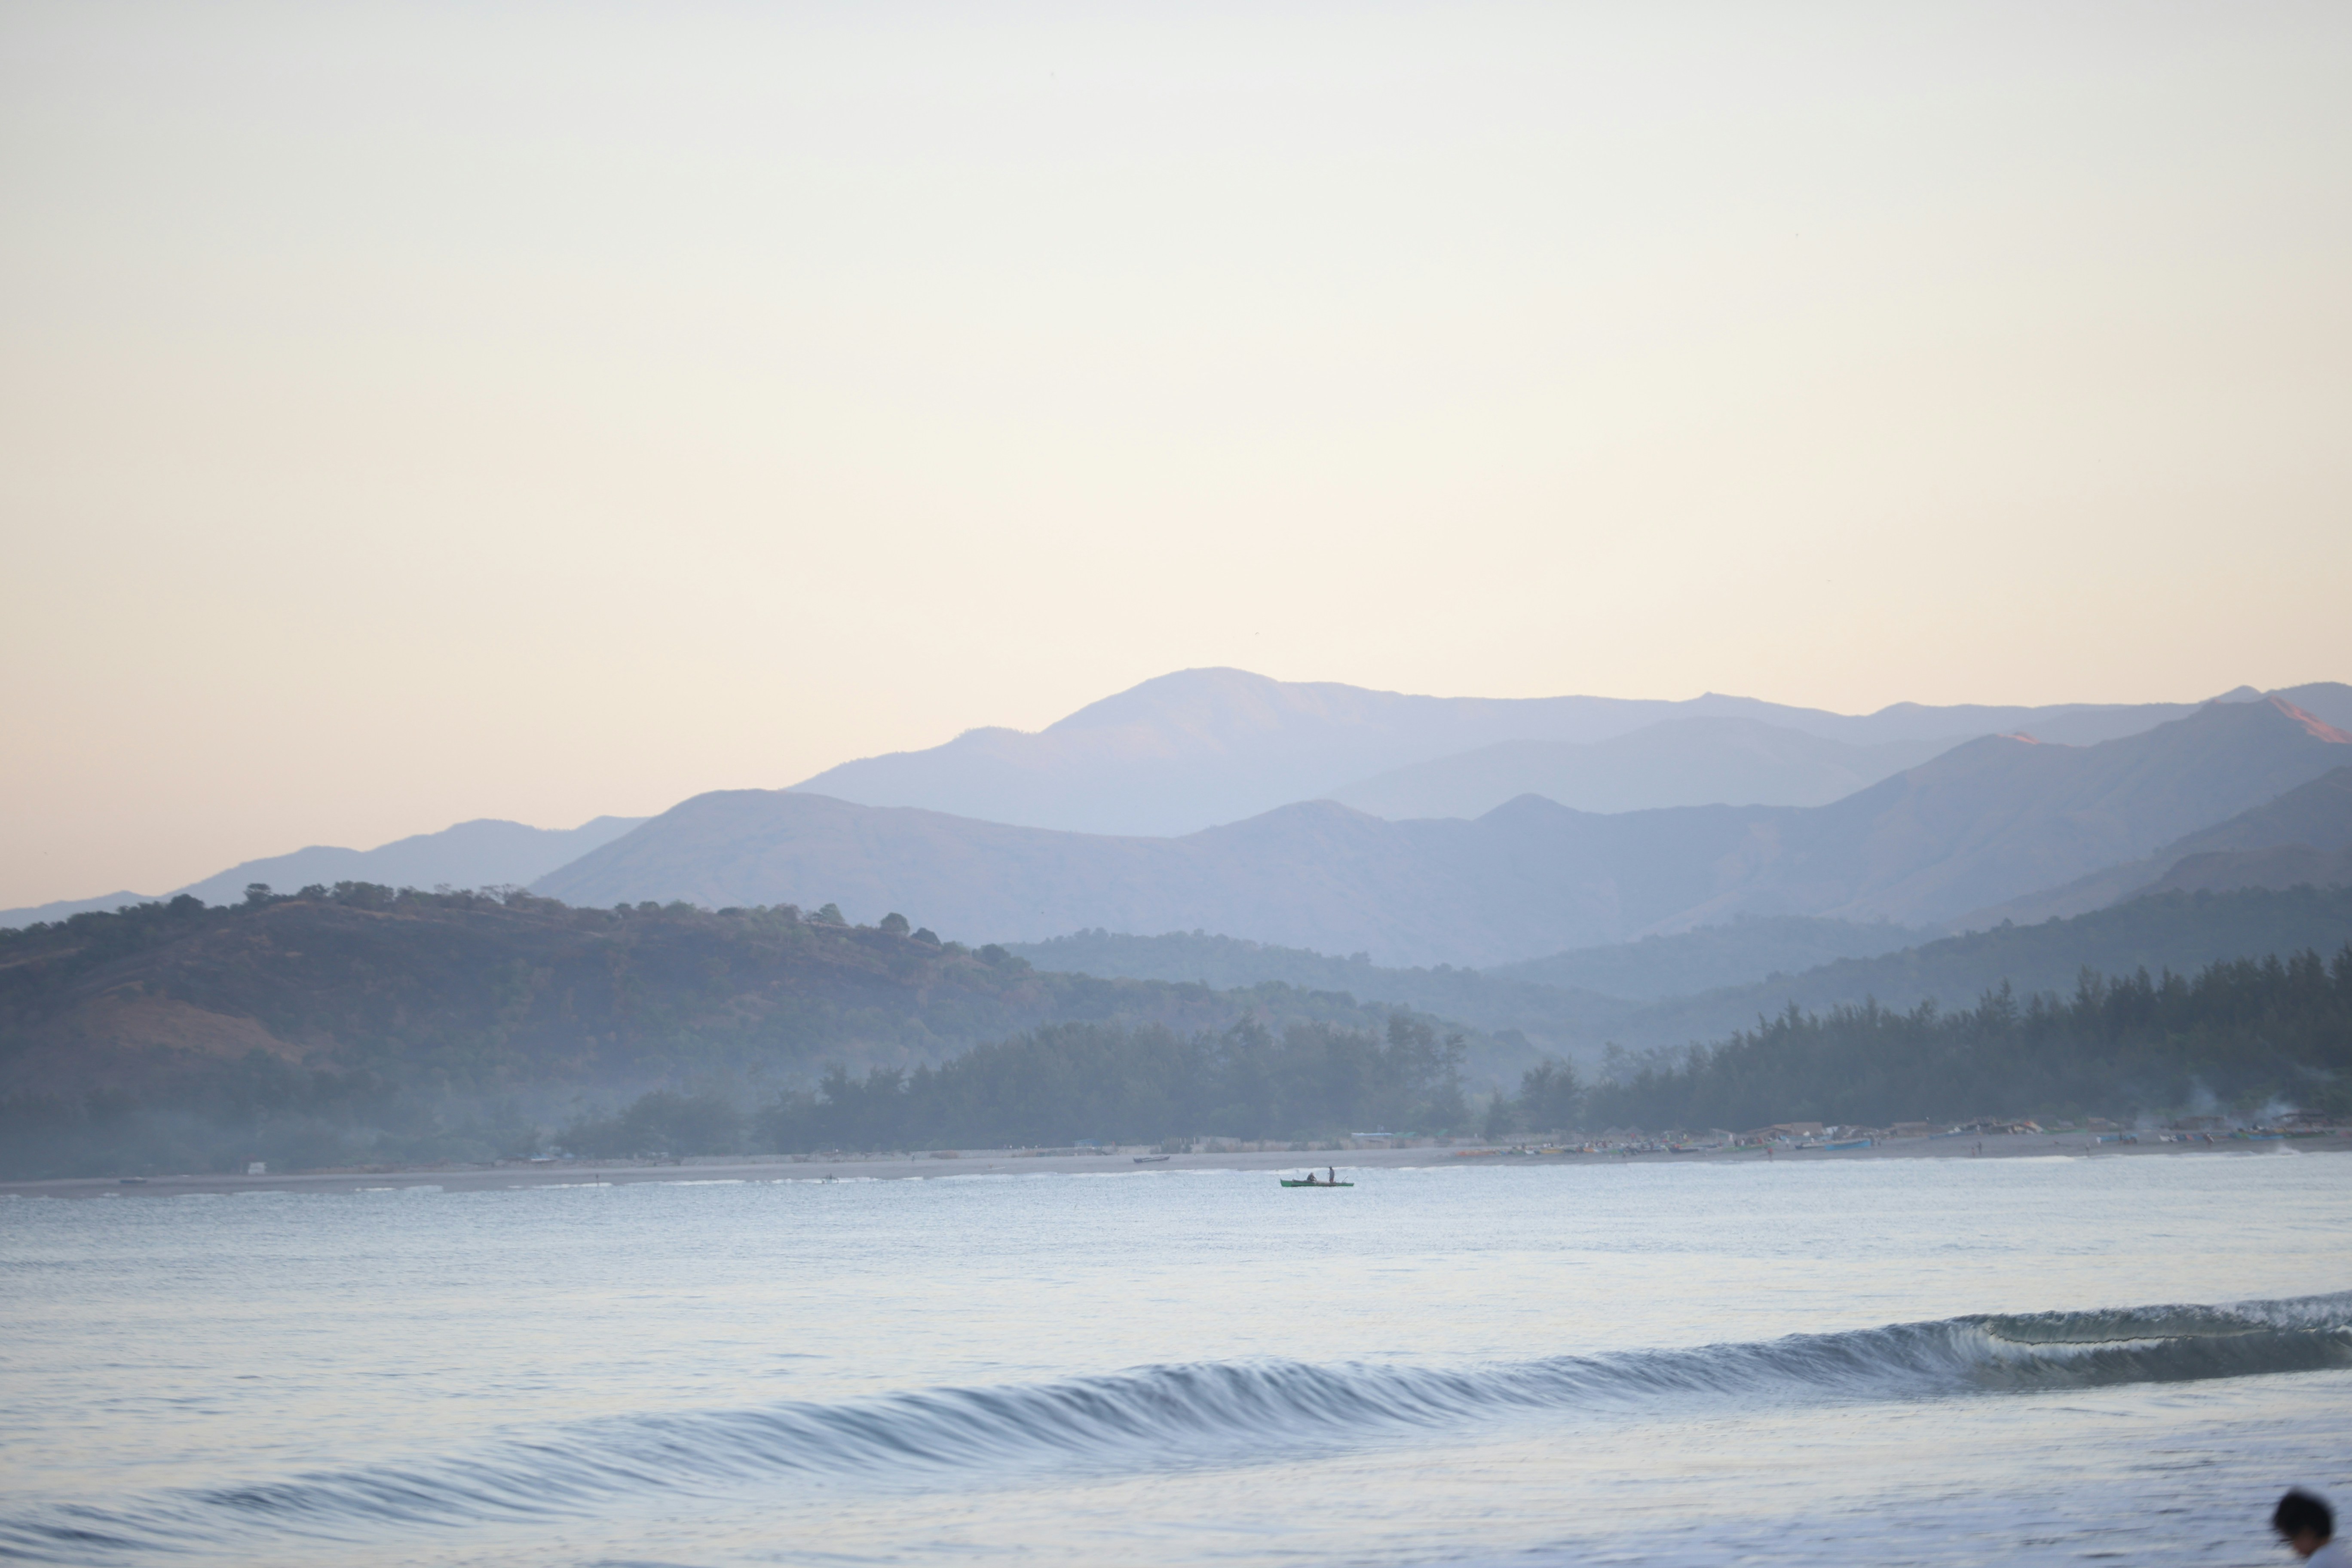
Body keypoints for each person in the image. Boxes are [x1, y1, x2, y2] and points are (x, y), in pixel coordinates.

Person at [2275, 1489, 2349, 1565]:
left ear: (2307, 1533)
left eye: (2293, 1540)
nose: (2294, 1548)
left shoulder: (2319, 1563)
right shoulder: (2341, 1555)